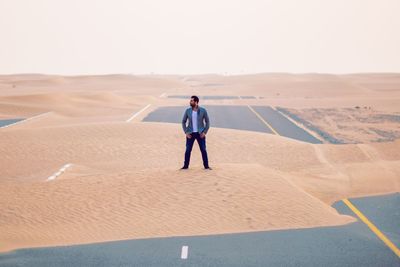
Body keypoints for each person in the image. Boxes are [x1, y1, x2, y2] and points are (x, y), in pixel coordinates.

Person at [181, 95, 211, 170]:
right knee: (188, 150)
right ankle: (185, 166)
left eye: (192, 100)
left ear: (196, 102)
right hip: (190, 134)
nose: (190, 102)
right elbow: (183, 121)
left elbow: (208, 122)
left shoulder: (203, 110)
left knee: (203, 150)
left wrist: (204, 132)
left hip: (200, 133)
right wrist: (186, 132)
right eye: (190, 100)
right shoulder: (188, 111)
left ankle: (206, 166)